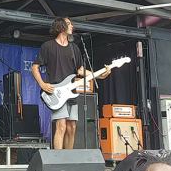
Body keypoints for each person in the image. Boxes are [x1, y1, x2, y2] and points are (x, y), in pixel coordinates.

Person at [32, 17, 111, 149]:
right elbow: (35, 67)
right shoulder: (48, 46)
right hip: (56, 93)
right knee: (61, 126)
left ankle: (68, 159)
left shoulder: (74, 48)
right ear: (60, 26)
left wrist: (99, 75)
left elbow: (80, 70)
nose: (72, 26)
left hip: (71, 93)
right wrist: (42, 84)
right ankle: (59, 160)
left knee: (72, 127)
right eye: (69, 24)